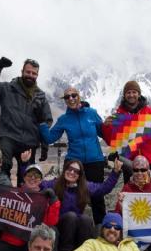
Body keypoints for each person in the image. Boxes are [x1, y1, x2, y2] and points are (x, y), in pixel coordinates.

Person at [39, 86, 106, 224]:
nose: (71, 98)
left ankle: (100, 228)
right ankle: (66, 225)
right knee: (69, 195)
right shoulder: (64, 119)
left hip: (95, 161)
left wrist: (114, 125)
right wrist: (42, 124)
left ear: (79, 96)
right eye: (67, 97)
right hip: (74, 161)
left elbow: (104, 132)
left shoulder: (92, 113)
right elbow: (50, 138)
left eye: (73, 95)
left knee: (97, 197)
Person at [0, 57, 52, 185]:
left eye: (34, 73)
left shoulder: (41, 96)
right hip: (8, 136)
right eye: (28, 72)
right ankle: (2, 194)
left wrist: (45, 146)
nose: (30, 75)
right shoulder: (8, 88)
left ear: (37, 75)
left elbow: (46, 122)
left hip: (29, 141)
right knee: (4, 166)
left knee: (26, 175)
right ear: (22, 71)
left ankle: (22, 200)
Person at [41, 157, 122, 251]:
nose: (71, 172)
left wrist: (115, 172)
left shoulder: (84, 186)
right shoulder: (55, 183)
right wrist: (25, 165)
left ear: (79, 175)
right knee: (71, 216)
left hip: (77, 225)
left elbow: (103, 188)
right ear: (65, 169)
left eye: (76, 171)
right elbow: (37, 184)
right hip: (59, 224)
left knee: (86, 219)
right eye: (69, 169)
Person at [102, 80, 151, 182]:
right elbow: (111, 141)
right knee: (132, 192)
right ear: (124, 95)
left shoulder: (150, 112)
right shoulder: (119, 116)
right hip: (130, 162)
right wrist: (106, 127)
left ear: (139, 94)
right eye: (128, 92)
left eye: (134, 92)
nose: (131, 95)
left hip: (150, 159)